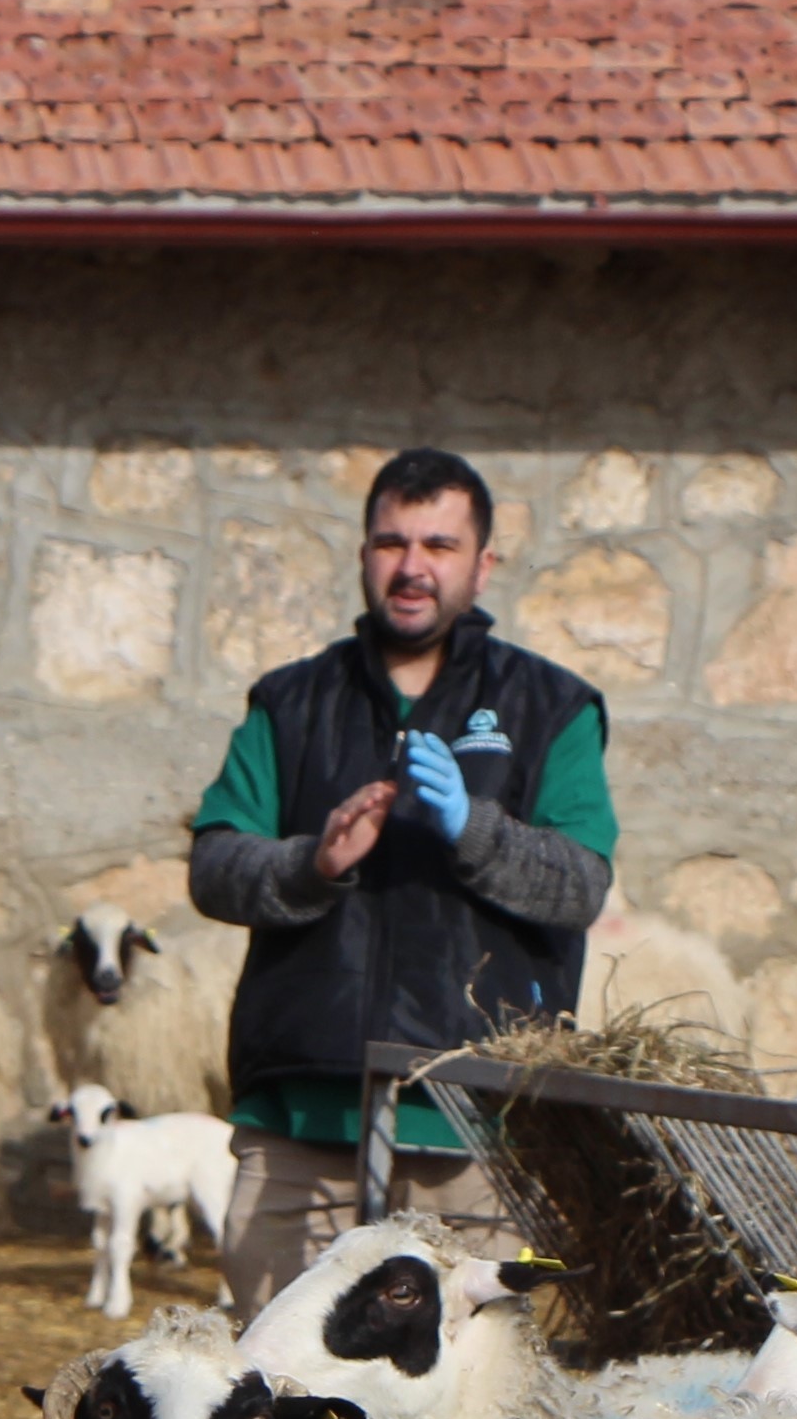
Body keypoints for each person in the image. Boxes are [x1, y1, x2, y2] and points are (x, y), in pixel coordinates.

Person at [185, 446, 617, 1310]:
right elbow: (215, 865)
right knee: (283, 1404)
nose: (412, 568)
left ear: (482, 563)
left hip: (473, 1130)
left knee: (458, 1409)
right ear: (363, 554)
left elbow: (581, 883)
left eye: (440, 545)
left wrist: (473, 830)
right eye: (391, 543)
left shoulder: (551, 707)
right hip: (302, 1125)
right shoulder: (291, 702)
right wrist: (311, 865)